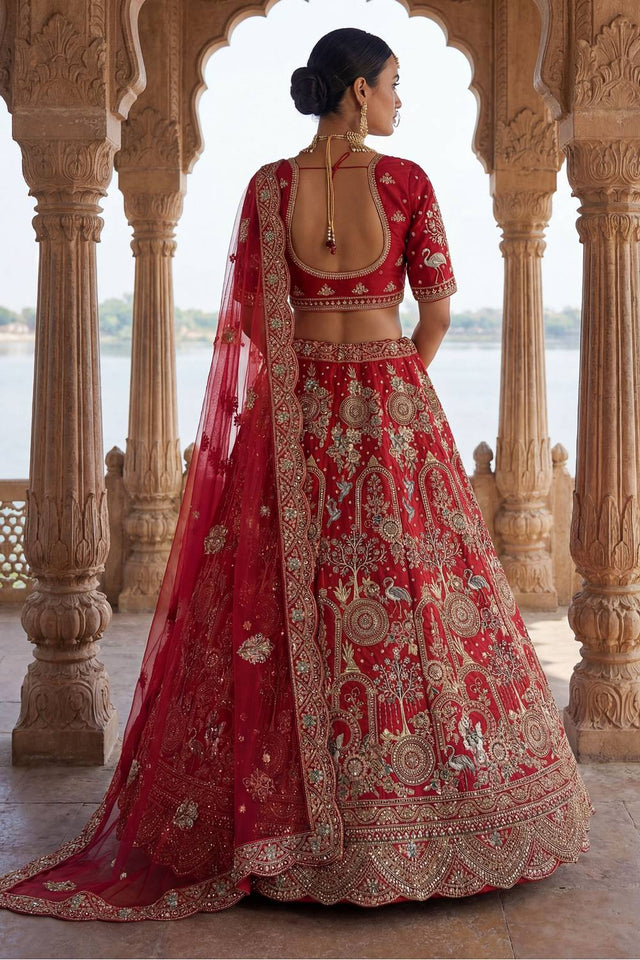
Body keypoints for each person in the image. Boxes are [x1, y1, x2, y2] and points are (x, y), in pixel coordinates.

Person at [0, 27, 593, 921]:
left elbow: (246, 323)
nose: (400, 100)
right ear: (356, 92)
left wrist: (316, 395)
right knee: (407, 608)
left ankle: (291, 824)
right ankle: (400, 821)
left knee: (288, 604)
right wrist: (389, 387)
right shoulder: (405, 184)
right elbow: (433, 311)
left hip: (295, 416)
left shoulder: (269, 189)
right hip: (390, 414)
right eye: (393, 84)